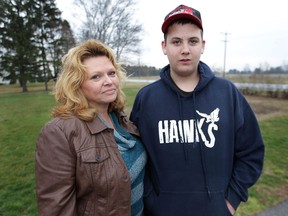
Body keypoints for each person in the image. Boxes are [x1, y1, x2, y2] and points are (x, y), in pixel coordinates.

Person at [130, 4, 264, 216]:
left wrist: (230, 200)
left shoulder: (227, 93)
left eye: (192, 41)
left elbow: (252, 151)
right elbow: (136, 158)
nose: (185, 49)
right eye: (176, 42)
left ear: (202, 45)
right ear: (164, 46)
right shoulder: (146, 99)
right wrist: (151, 201)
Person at [35, 39, 147, 216]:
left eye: (111, 73)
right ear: (76, 84)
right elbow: (57, 208)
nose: (109, 81)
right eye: (96, 77)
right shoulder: (59, 132)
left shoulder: (122, 120)